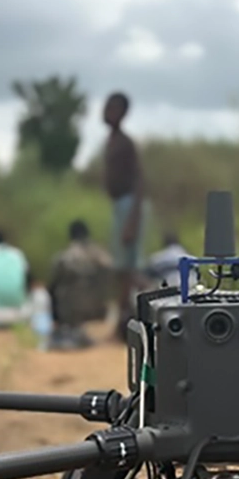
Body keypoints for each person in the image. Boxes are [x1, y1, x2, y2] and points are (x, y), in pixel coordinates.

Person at [102, 91, 147, 341]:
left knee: (130, 269)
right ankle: (124, 320)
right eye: (106, 107)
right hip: (120, 205)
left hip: (130, 206)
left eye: (113, 108)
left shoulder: (126, 143)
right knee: (122, 268)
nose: (106, 112)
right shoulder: (112, 140)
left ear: (123, 112)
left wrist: (132, 219)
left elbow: (140, 180)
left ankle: (128, 320)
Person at [47, 219, 113, 350]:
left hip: (71, 308)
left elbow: (53, 284)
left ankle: (66, 329)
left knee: (56, 289)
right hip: (97, 307)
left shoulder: (66, 255)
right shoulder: (101, 255)